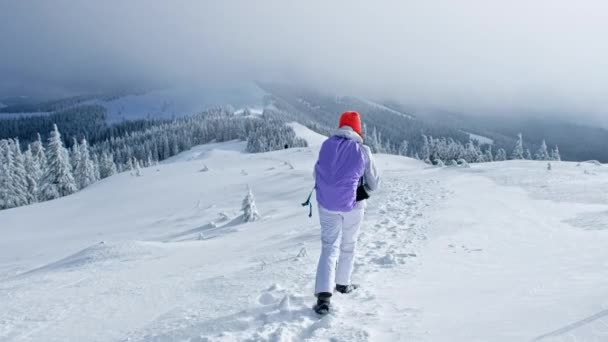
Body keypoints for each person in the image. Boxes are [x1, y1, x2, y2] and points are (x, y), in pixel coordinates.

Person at [312, 111, 380, 315]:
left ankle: (323, 297)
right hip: (354, 205)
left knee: (328, 247)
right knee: (348, 244)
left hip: (326, 204)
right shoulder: (363, 150)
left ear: (341, 126)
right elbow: (374, 183)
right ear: (357, 128)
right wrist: (362, 190)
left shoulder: (326, 145)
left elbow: (316, 173)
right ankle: (343, 284)